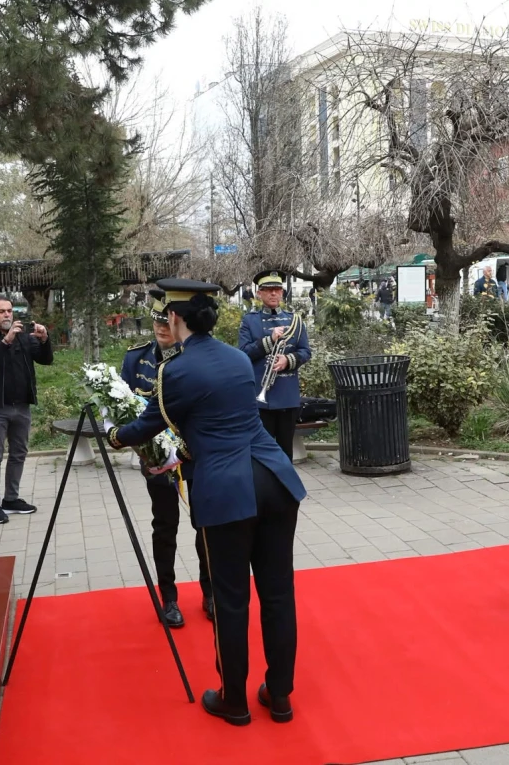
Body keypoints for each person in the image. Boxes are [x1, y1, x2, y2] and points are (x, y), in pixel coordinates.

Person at [107, 279, 307, 726]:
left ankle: (233, 699)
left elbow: (147, 426)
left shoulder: (174, 371)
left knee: (232, 598)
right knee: (278, 594)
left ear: (175, 318)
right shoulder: (238, 357)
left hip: (227, 489)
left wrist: (115, 435)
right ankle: (279, 697)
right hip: (275, 478)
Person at [119, 289, 212, 625]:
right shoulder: (136, 359)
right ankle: (169, 598)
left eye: (166, 320)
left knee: (204, 524)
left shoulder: (195, 355)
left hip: (195, 456)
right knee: (165, 527)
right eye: (156, 320)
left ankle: (211, 593)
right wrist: (141, 448)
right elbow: (123, 410)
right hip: (157, 459)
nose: (161, 327)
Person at [0, 295, 51, 523]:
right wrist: (5, 341)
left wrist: (45, 340)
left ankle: (11, 499)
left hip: (22, 406)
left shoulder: (23, 337)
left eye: (9, 310)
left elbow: (46, 359)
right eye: (1, 312)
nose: (7, 315)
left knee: (19, 454)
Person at [238, 271, 312, 460]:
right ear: (259, 293)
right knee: (262, 451)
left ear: (282, 293)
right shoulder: (250, 321)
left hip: (287, 394)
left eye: (277, 290)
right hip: (260, 395)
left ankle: (285, 488)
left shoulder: (295, 320)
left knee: (285, 451)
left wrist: (288, 360)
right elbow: (244, 353)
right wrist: (269, 340)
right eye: (268, 290)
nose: (273, 294)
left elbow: (305, 352)